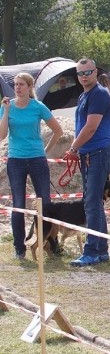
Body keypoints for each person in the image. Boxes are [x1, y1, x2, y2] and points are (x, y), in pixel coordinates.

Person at [0, 73, 63, 260]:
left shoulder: (38, 106)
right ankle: (19, 247)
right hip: (16, 160)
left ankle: (51, 243)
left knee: (45, 202)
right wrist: (6, 111)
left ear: (30, 87)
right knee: (18, 204)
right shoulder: (7, 106)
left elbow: (58, 131)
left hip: (37, 159)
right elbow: (2, 135)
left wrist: (45, 150)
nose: (17, 88)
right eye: (15, 85)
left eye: (21, 85)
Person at [64, 59, 110, 267]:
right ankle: (101, 250)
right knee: (93, 204)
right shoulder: (85, 94)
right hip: (89, 154)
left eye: (88, 72)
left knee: (92, 204)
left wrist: (74, 148)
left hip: (98, 153)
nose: (84, 76)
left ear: (96, 72)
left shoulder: (99, 94)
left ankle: (91, 251)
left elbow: (91, 127)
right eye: (80, 73)